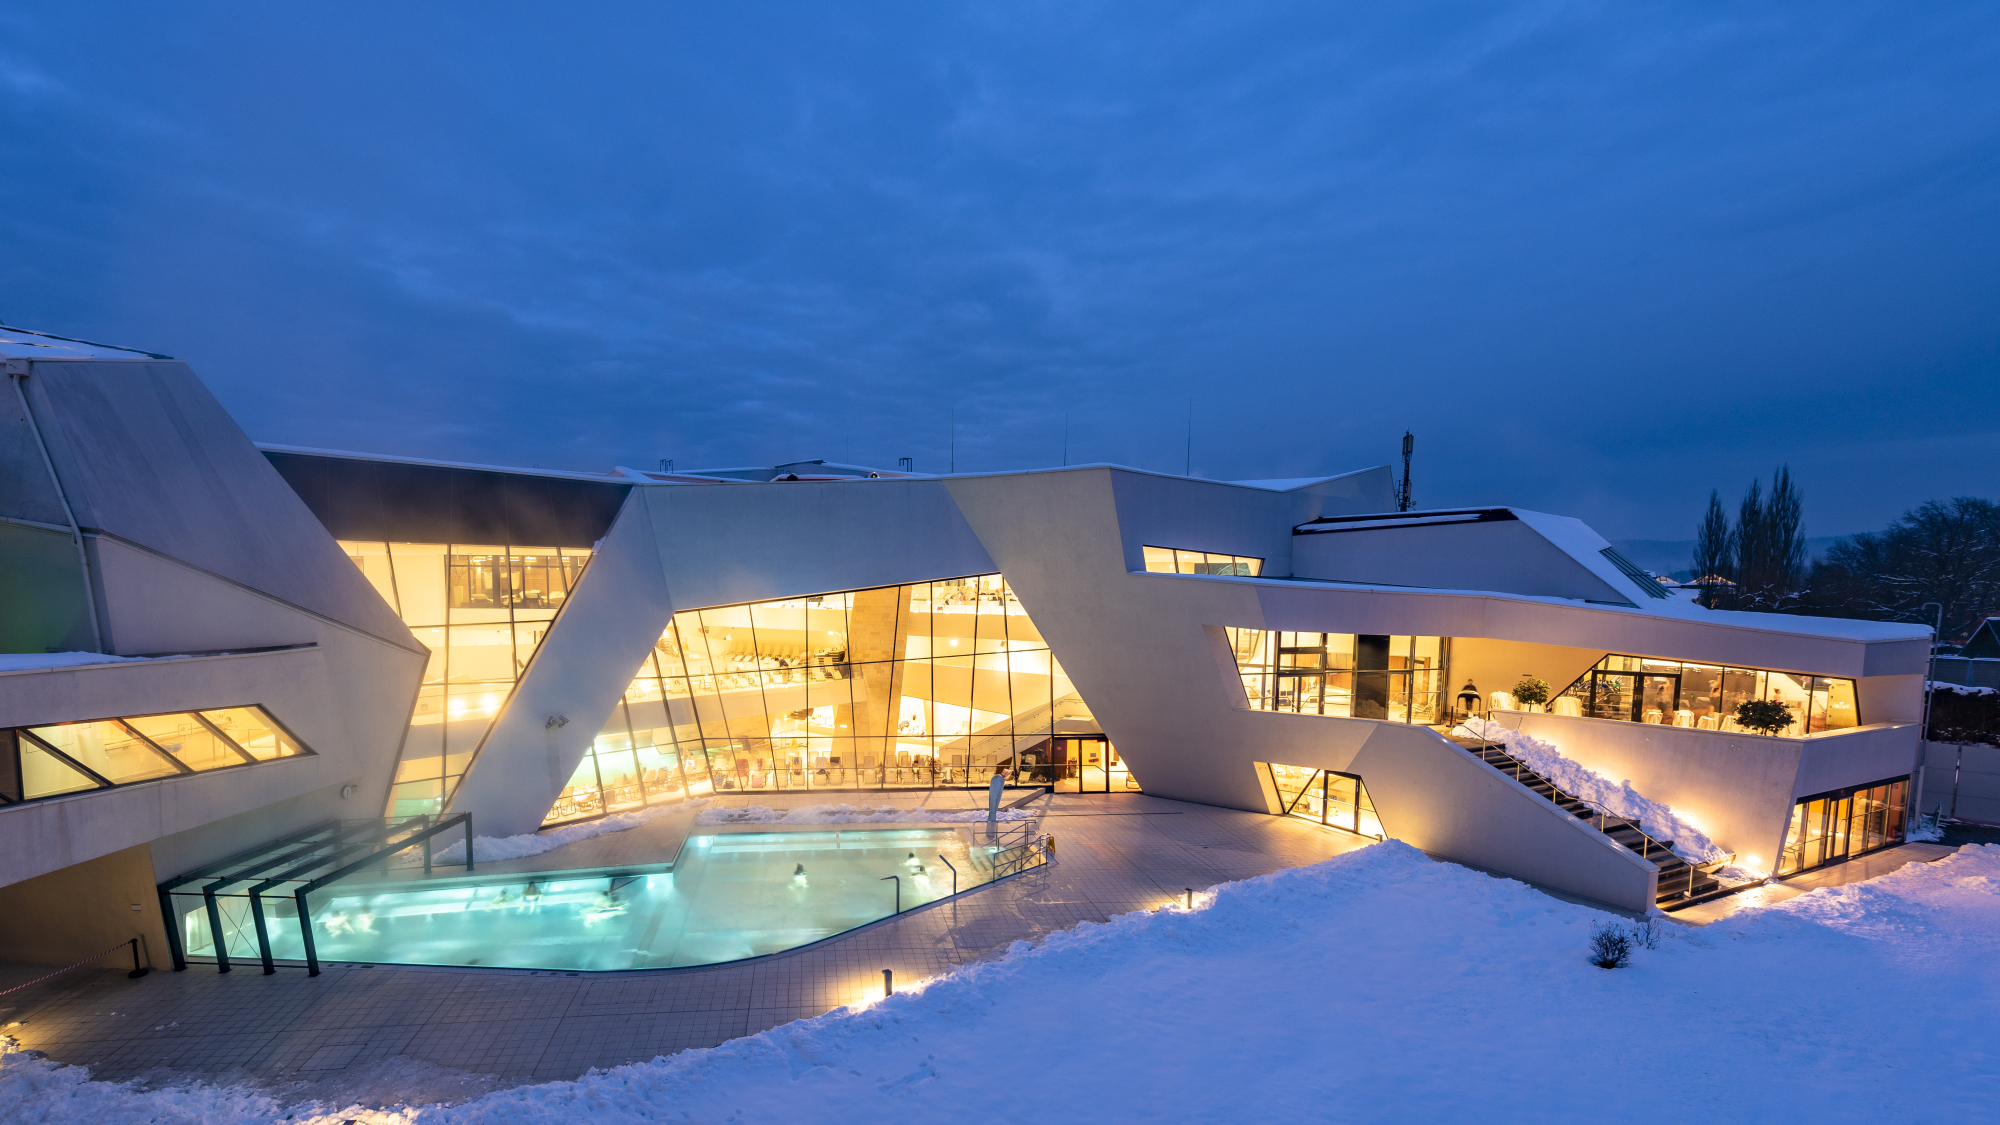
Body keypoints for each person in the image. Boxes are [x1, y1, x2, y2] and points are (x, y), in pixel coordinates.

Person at [986, 762, 1006, 834]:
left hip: (994, 799)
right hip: (994, 799)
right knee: (993, 810)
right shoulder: (997, 779)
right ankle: (991, 830)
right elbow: (995, 794)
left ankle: (991, 831)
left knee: (993, 810)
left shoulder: (998, 779)